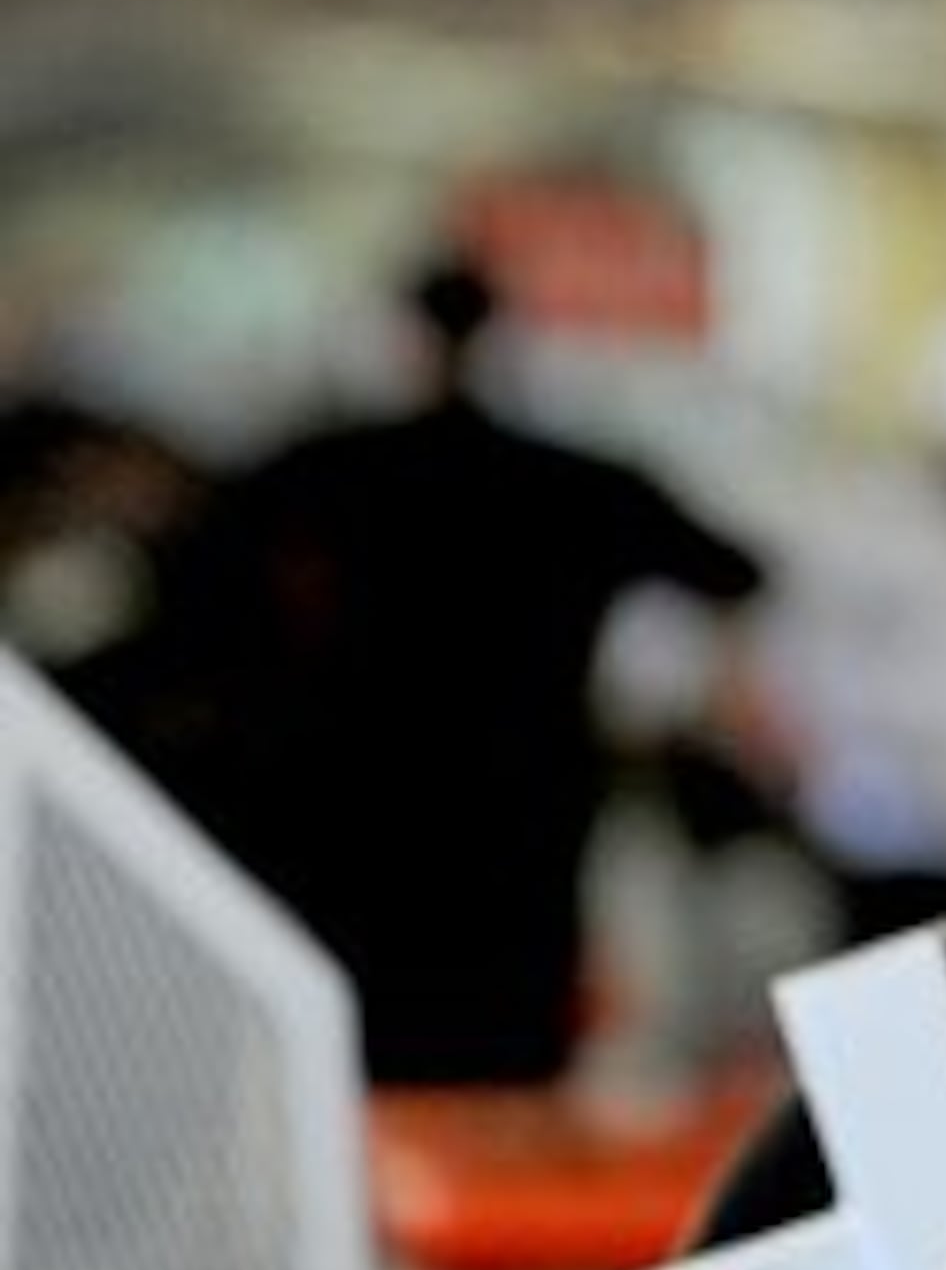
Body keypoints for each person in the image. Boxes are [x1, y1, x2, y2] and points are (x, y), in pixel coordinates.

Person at [168, 251, 772, 1085]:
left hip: (352, 803)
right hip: (523, 807)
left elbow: (189, 581)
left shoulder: (321, 474)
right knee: (507, 1050)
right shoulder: (574, 483)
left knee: (357, 1053)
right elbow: (737, 572)